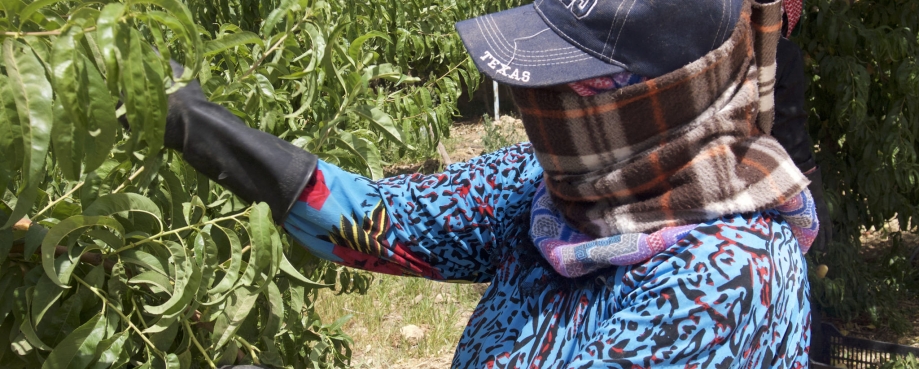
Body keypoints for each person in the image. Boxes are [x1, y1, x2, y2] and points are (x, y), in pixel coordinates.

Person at [166, 0, 822, 367]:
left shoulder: (729, 274)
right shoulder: (553, 188)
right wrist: (198, 125)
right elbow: (381, 222)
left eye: (569, 78)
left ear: (664, 96)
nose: (535, 95)